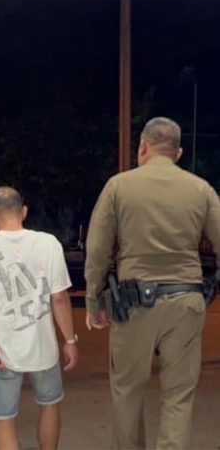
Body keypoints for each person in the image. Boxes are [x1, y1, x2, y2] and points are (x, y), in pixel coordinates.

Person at [85, 117, 220, 450]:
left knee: (127, 390)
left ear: (143, 146)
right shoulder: (201, 189)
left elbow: (98, 249)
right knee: (179, 396)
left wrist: (94, 301)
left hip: (133, 305)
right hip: (186, 301)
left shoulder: (118, 186)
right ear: (178, 153)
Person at [0, 187, 79, 450]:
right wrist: (70, 340)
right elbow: (59, 297)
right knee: (50, 405)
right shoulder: (48, 243)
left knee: (4, 420)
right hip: (44, 348)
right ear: (24, 212)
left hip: (3, 350)